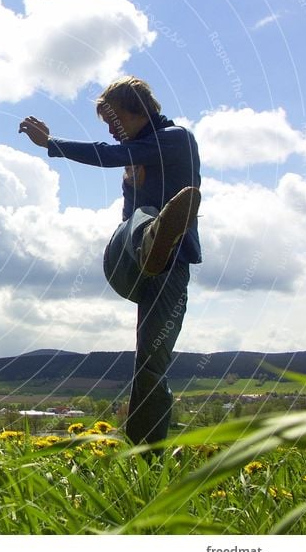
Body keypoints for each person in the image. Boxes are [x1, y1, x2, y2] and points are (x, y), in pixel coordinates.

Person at [18, 75, 201, 446]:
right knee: (140, 218)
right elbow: (126, 201)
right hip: (131, 262)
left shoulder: (175, 139)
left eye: (115, 121)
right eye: (107, 126)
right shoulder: (133, 161)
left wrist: (52, 144)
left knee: (151, 365)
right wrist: (132, 244)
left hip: (170, 271)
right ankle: (148, 240)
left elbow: (113, 153)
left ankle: (145, 455)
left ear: (139, 110)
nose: (114, 132)